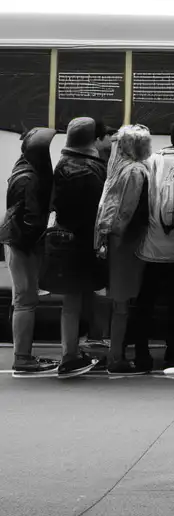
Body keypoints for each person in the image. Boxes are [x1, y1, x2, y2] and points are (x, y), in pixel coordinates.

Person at [133, 119, 174, 371]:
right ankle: (172, 350)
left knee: (145, 302)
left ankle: (142, 353)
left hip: (150, 246)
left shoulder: (151, 161)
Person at [52, 117, 109, 377]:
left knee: (73, 299)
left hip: (66, 239)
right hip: (87, 241)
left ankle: (73, 350)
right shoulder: (93, 168)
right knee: (79, 298)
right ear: (94, 140)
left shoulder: (62, 164)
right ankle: (70, 356)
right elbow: (100, 210)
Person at [94, 125, 153, 377]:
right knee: (122, 302)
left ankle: (114, 351)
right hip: (127, 242)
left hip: (115, 239)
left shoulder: (116, 168)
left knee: (118, 300)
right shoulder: (136, 171)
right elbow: (126, 211)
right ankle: (115, 356)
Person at [3, 127, 59, 375]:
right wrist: (35, 244)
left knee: (22, 300)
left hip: (18, 240)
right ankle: (22, 358)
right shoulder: (29, 177)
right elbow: (30, 220)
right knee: (25, 300)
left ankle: (23, 353)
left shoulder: (25, 169)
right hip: (20, 243)